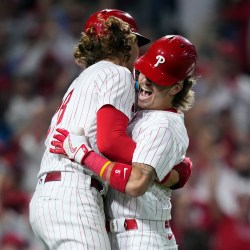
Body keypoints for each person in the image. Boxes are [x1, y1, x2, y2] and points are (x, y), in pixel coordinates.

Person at [50, 35, 198, 249]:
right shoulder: (141, 114)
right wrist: (171, 174)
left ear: (176, 88)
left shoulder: (164, 123)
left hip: (144, 237)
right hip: (123, 234)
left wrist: (84, 154)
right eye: (145, 71)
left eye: (158, 78)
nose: (146, 80)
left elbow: (136, 183)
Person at [29, 8, 151, 250]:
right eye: (135, 42)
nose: (138, 50)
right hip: (73, 193)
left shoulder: (83, 78)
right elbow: (110, 141)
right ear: (123, 42)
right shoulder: (117, 73)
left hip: (52, 195)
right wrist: (155, 163)